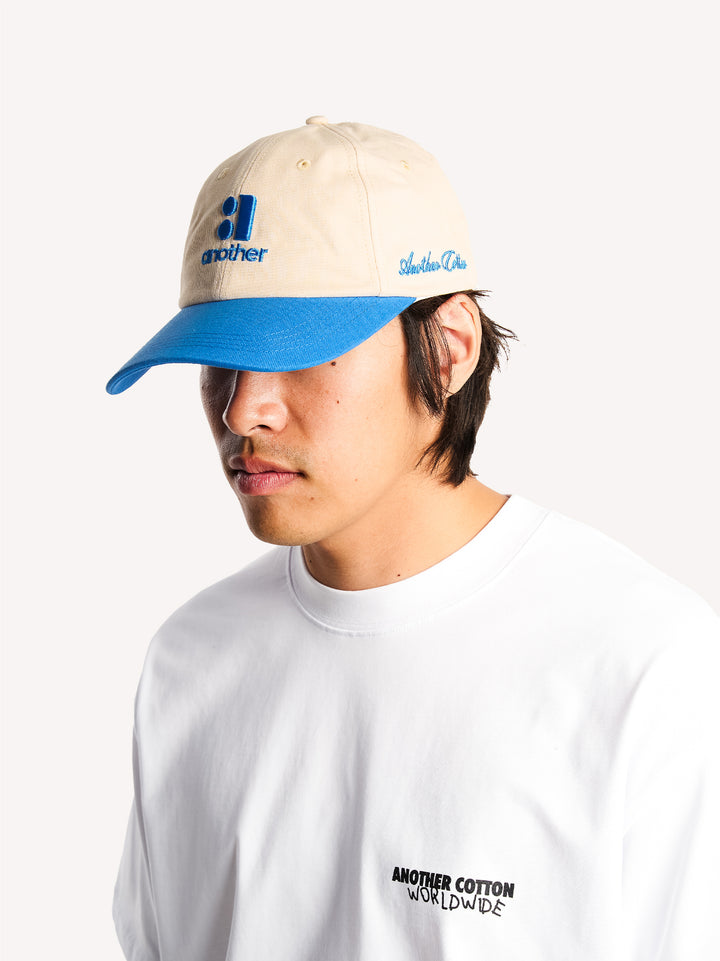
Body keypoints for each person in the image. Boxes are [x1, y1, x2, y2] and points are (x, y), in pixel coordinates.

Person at [108, 117, 719, 961]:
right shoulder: (190, 661)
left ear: (450, 348)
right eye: (219, 358)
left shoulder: (648, 670)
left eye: (295, 351)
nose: (243, 409)